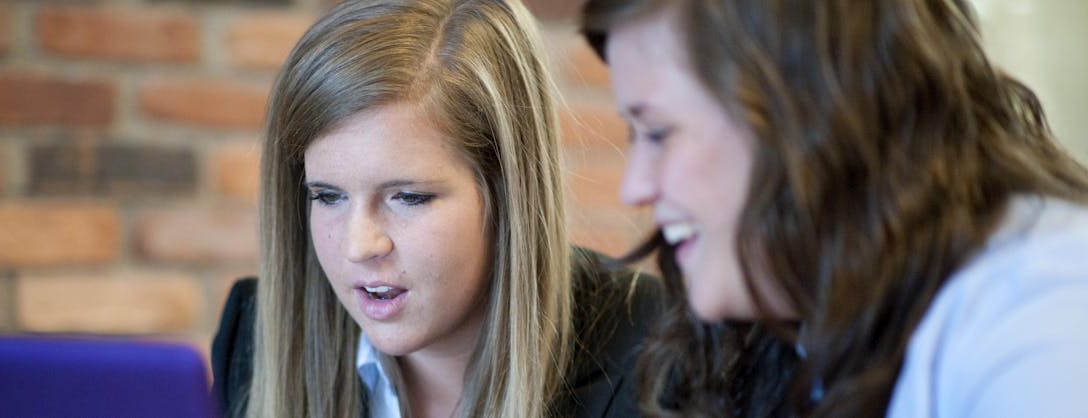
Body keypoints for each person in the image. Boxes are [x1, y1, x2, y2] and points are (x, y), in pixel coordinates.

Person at [580, 0, 1088, 417]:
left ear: (800, 113)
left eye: (658, 132)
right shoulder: (788, 335)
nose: (634, 187)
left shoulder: (1040, 316)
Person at [211, 0, 663, 417]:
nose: (358, 246)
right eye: (328, 196)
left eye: (408, 197)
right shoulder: (251, 340)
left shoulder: (655, 344)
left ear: (508, 192)